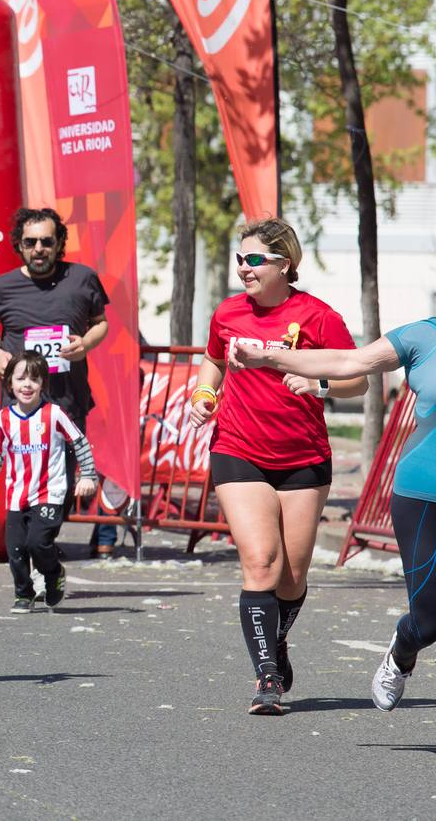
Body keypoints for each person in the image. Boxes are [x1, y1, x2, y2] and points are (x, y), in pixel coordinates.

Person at [232, 229, 436, 765]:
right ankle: (402, 653)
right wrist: (272, 361)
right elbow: (348, 365)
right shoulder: (425, 337)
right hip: (427, 501)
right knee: (431, 620)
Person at [187, 220, 364, 715]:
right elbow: (212, 361)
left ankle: (277, 638)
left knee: (292, 575)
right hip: (238, 449)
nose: (244, 267)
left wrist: (321, 387)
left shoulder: (317, 316)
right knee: (261, 562)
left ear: (284, 264)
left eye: (254, 259)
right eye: (240, 258)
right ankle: (267, 676)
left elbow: (358, 381)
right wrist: (205, 394)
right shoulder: (227, 313)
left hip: (303, 457)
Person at [0, 207, 114, 556]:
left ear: (59, 243)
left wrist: (86, 343)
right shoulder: (2, 286)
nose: (39, 248)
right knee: (25, 477)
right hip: (20, 404)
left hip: (67, 399)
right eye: (31, 242)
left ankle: (43, 541)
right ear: (19, 245)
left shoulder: (82, 278)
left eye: (46, 241)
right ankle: (33, 549)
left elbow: (101, 322)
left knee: (63, 481)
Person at [0, 350, 98, 613]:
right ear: (10, 384)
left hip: (50, 492)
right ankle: (23, 593)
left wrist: (88, 475)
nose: (27, 385)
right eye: (20, 379)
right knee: (15, 550)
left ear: (43, 384)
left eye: (34, 379)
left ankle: (54, 574)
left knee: (37, 543)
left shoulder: (54, 414)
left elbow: (79, 442)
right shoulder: (4, 419)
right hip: (16, 495)